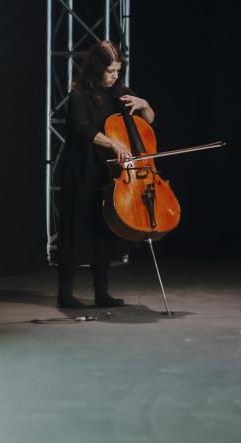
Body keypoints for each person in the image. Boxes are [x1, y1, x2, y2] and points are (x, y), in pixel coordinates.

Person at [57, 41, 155, 308]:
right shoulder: (78, 95)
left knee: (104, 229)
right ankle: (65, 293)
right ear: (96, 68)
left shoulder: (119, 93)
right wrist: (113, 143)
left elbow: (148, 120)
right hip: (82, 170)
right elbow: (82, 129)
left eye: (118, 71)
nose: (114, 76)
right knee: (76, 229)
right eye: (110, 71)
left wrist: (144, 103)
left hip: (107, 172)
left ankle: (102, 293)